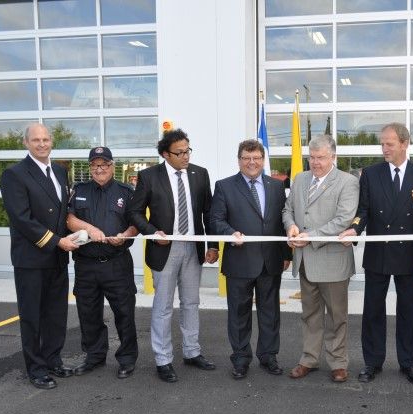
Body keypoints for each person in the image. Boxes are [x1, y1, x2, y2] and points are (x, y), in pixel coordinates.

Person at [339, 123, 413, 385]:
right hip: (378, 253)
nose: (384, 148)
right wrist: (354, 230)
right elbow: (364, 210)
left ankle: (408, 362)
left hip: (409, 255)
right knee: (372, 310)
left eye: (390, 144)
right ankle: (372, 362)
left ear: (404, 144)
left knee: (408, 310)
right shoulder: (370, 174)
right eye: (382, 143)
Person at [128, 129, 219, 383]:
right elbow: (134, 213)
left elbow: (209, 213)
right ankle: (163, 359)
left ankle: (192, 352)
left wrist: (212, 245)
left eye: (188, 150)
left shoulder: (199, 174)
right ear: (165, 154)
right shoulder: (149, 177)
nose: (185, 156)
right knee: (163, 306)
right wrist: (151, 231)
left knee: (191, 302)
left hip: (193, 247)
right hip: (164, 248)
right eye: (179, 153)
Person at [0, 123, 79, 389]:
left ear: (51, 141)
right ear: (26, 143)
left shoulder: (59, 170)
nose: (42, 144)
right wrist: (58, 242)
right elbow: (22, 219)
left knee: (56, 314)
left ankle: (53, 360)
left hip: (57, 257)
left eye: (46, 139)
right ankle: (36, 369)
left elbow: (62, 211)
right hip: (32, 259)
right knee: (32, 316)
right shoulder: (14, 174)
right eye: (36, 140)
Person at [208, 139, 291, 379]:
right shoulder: (224, 186)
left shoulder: (276, 187)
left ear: (263, 160)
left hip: (270, 260)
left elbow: (280, 222)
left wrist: (286, 254)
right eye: (247, 158)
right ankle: (241, 358)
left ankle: (268, 356)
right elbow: (216, 220)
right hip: (239, 260)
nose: (252, 162)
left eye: (256, 158)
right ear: (239, 160)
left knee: (270, 312)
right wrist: (228, 233)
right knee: (239, 313)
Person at [283, 135, 360, 383]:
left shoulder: (348, 182)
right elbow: (288, 209)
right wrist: (291, 226)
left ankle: (338, 363)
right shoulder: (300, 179)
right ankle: (309, 359)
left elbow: (344, 219)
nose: (315, 163)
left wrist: (309, 236)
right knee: (310, 315)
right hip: (305, 261)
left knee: (337, 317)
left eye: (321, 158)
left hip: (333, 262)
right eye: (312, 157)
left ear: (333, 157)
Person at [67, 146, 139, 379]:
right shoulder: (79, 190)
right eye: (95, 165)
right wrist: (90, 229)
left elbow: (136, 223)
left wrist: (125, 235)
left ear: (112, 166)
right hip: (86, 264)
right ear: (90, 167)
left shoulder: (126, 192)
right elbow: (69, 219)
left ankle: (127, 359)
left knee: (124, 313)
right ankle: (95, 356)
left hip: (116, 263)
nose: (100, 169)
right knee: (88, 313)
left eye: (105, 164)